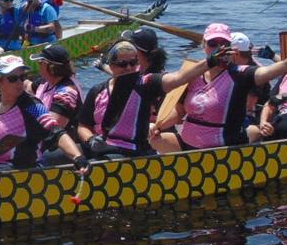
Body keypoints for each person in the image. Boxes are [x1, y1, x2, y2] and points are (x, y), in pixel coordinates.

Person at [157, 23, 287, 151]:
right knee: (155, 137)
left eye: (223, 44)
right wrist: (158, 126)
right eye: (213, 43)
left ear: (230, 48)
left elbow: (267, 72)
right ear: (204, 45)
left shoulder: (240, 74)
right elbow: (180, 109)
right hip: (188, 142)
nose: (218, 48)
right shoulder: (193, 73)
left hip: (221, 148)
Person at [76, 29, 212, 158]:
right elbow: (83, 125)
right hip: (101, 145)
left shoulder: (147, 83)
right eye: (122, 64)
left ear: (139, 59)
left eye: (133, 63)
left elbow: (179, 78)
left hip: (132, 150)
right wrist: (91, 139)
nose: (129, 68)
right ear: (111, 65)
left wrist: (210, 61)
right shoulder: (97, 91)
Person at [30, 43, 81, 131]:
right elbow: (27, 86)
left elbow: (53, 129)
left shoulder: (66, 94)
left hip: (61, 141)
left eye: (40, 62)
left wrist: (29, 108)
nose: (38, 66)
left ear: (50, 67)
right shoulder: (46, 82)